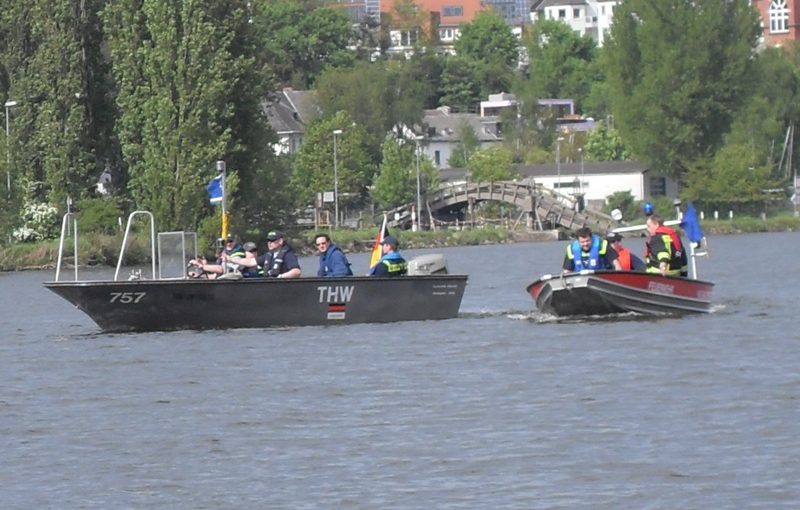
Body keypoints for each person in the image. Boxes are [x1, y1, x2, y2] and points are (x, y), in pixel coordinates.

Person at [236, 231, 301, 279]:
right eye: (268, 240)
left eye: (272, 240)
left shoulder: (288, 255)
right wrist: (230, 259)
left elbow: (296, 272)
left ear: (280, 241)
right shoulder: (269, 255)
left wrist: (281, 277)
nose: (269, 243)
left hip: (282, 287)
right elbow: (251, 262)